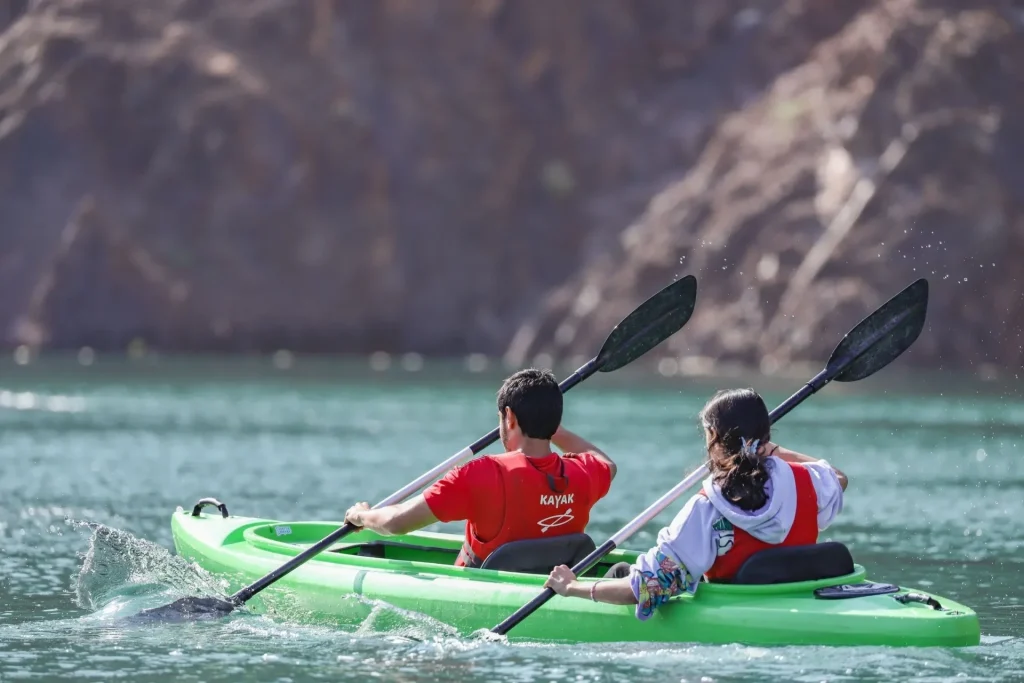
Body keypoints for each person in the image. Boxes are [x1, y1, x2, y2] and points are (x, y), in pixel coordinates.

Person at [542, 387, 847, 618]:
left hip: (737, 615)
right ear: (766, 437)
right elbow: (837, 477)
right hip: (801, 601)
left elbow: (648, 587)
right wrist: (768, 449)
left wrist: (571, 587)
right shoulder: (806, 481)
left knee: (624, 570)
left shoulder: (708, 508)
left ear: (713, 435)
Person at [344, 368, 617, 568]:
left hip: (483, 599)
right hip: (554, 588)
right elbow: (607, 464)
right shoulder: (584, 473)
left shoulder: (481, 474)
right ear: (555, 420)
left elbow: (396, 522)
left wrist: (362, 516)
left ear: (509, 418)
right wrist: (551, 426)